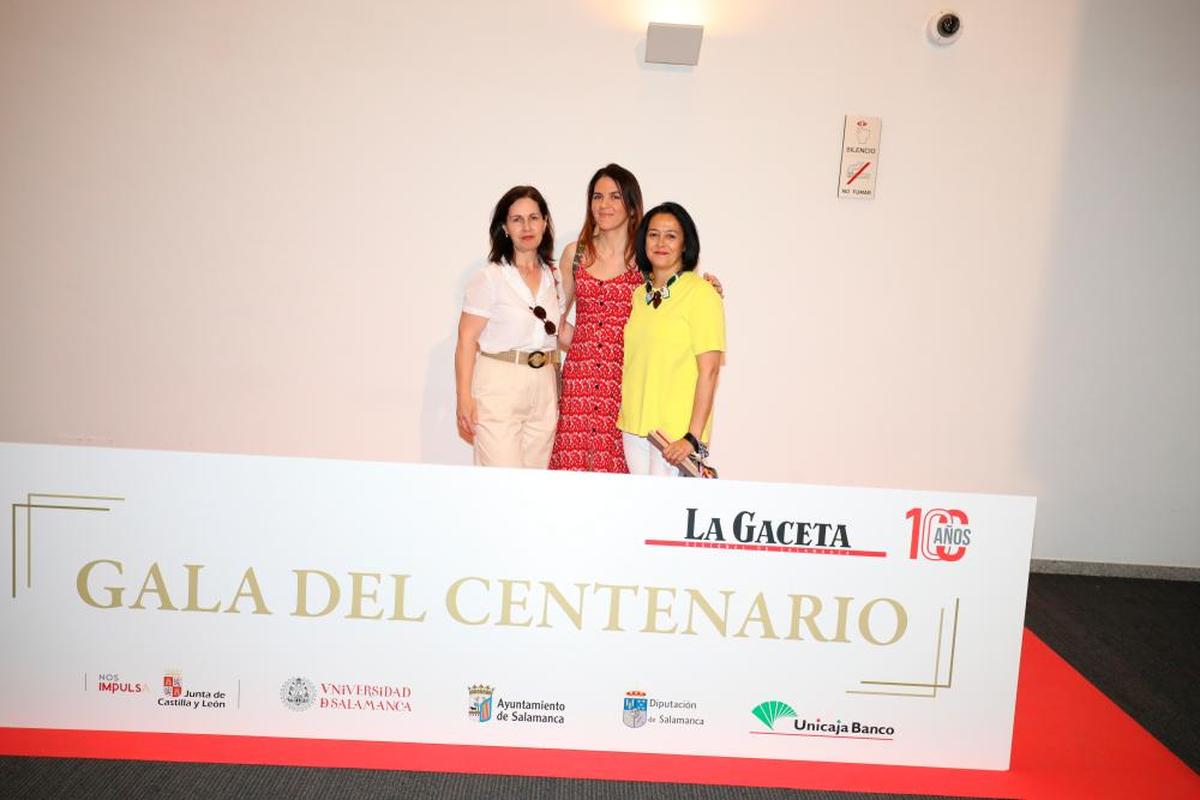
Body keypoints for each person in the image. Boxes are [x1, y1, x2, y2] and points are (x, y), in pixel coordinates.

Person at [549, 164, 723, 473]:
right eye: (597, 196)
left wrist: (709, 290)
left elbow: (676, 297)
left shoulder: (646, 259)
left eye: (615, 196)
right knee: (573, 476)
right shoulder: (575, 254)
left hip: (627, 385)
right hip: (580, 384)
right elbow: (557, 324)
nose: (605, 205)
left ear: (631, 205)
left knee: (625, 482)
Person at [455, 186, 562, 468]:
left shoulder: (554, 276)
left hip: (544, 387)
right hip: (499, 385)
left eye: (534, 218)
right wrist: (463, 397)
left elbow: (558, 330)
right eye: (517, 219)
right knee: (501, 485)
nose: (527, 226)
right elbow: (466, 339)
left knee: (533, 486)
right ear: (505, 227)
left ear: (545, 223)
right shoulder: (490, 278)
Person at [617, 202, 724, 476]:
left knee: (663, 516)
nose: (661, 243)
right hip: (635, 428)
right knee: (643, 512)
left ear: (685, 244)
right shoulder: (640, 295)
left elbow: (709, 371)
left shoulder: (702, 294)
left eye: (671, 235)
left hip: (674, 435)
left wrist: (692, 438)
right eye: (653, 234)